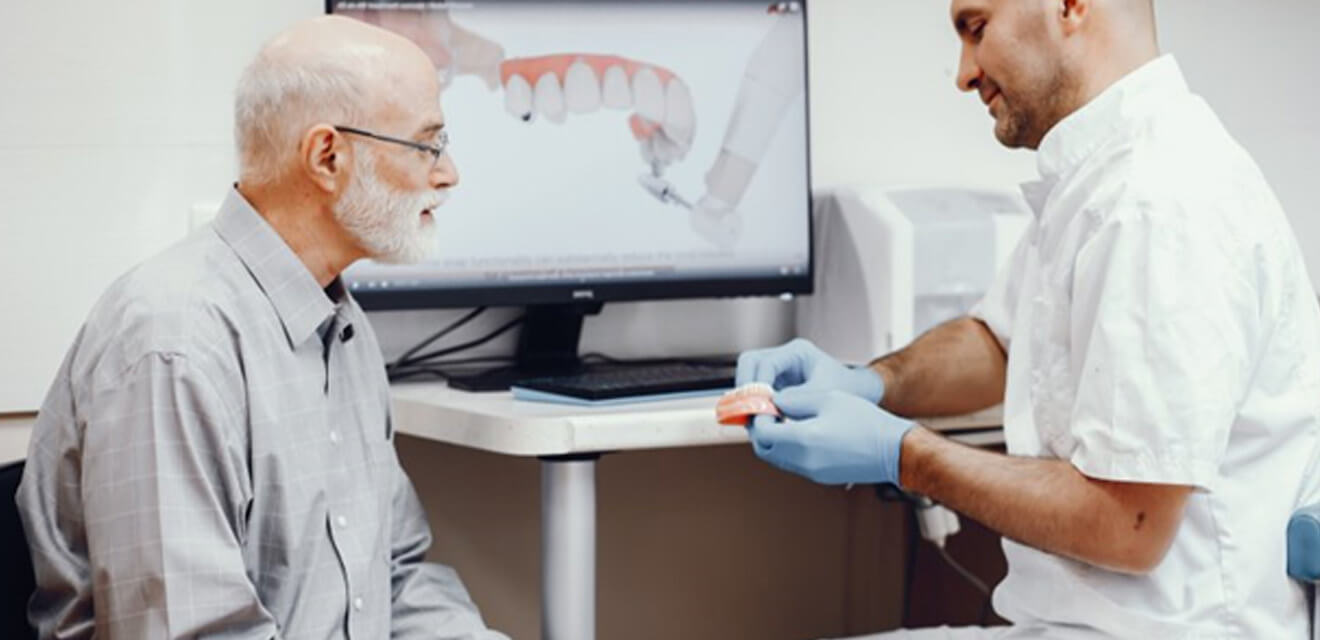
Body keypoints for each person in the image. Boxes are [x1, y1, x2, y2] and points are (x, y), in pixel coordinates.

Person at [737, 0, 1320, 637]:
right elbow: (1001, 342)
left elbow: (1130, 525)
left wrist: (902, 454)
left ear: (1070, 6)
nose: (963, 73)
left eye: (976, 28)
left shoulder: (1159, 198)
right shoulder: (1097, 175)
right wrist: (868, 382)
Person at [16, 15, 508, 639]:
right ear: (327, 156)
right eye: (427, 144)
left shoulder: (341, 328)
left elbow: (397, 577)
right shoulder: (175, 346)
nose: (448, 172)